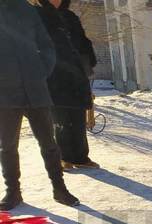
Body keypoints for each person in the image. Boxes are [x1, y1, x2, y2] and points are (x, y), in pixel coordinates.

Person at [0, 0, 79, 210]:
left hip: (35, 89)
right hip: (6, 94)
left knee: (48, 143)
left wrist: (41, 71)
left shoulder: (29, 10)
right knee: (7, 146)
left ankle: (59, 188)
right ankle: (13, 191)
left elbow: (46, 45)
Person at [38, 0, 97, 170]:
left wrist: (88, 59)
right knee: (60, 119)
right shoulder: (39, 15)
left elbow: (83, 41)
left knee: (78, 118)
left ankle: (80, 157)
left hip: (76, 75)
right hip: (54, 75)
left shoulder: (70, 16)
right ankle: (62, 157)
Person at [59, 0, 97, 78]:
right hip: (68, 70)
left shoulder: (69, 16)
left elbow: (83, 41)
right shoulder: (70, 16)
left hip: (72, 70)